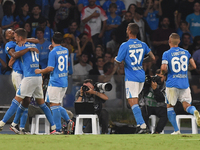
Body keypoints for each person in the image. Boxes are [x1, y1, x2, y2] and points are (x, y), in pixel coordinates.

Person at [0, 28, 56, 134]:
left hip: (28, 76)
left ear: (20, 37)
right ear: (7, 37)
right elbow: (15, 55)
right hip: (28, 75)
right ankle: (53, 127)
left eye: (14, 33)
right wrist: (28, 48)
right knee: (33, 102)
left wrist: (12, 59)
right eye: (10, 33)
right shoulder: (14, 45)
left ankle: (9, 124)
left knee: (21, 101)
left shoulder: (18, 45)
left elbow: (15, 55)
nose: (13, 34)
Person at [115, 23, 155, 133]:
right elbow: (152, 57)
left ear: (129, 31)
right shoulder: (143, 44)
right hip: (141, 76)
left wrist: (116, 59)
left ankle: (142, 125)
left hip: (131, 77)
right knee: (135, 101)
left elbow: (118, 61)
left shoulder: (125, 45)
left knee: (132, 102)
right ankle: (140, 124)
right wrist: (142, 61)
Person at [161, 33, 200, 135]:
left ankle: (176, 130)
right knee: (187, 105)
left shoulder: (166, 53)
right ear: (179, 42)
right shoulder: (186, 52)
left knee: (169, 106)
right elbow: (194, 66)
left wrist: (163, 73)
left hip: (172, 83)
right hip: (184, 83)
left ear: (169, 41)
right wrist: (185, 69)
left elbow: (164, 68)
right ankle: (194, 111)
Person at [35, 32, 74, 134]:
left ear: (52, 40)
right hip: (64, 81)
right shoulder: (65, 50)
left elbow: (51, 68)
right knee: (55, 104)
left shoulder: (52, 53)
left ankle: (57, 129)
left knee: (53, 106)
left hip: (56, 81)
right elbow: (59, 58)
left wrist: (40, 71)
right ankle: (69, 121)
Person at [140, 69, 168, 134]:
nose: (157, 79)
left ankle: (157, 132)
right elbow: (143, 91)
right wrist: (147, 82)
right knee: (142, 112)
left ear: (164, 77)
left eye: (160, 77)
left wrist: (155, 89)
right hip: (148, 105)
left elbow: (161, 99)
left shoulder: (167, 86)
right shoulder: (150, 82)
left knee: (166, 114)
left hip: (159, 106)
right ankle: (146, 130)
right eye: (156, 76)